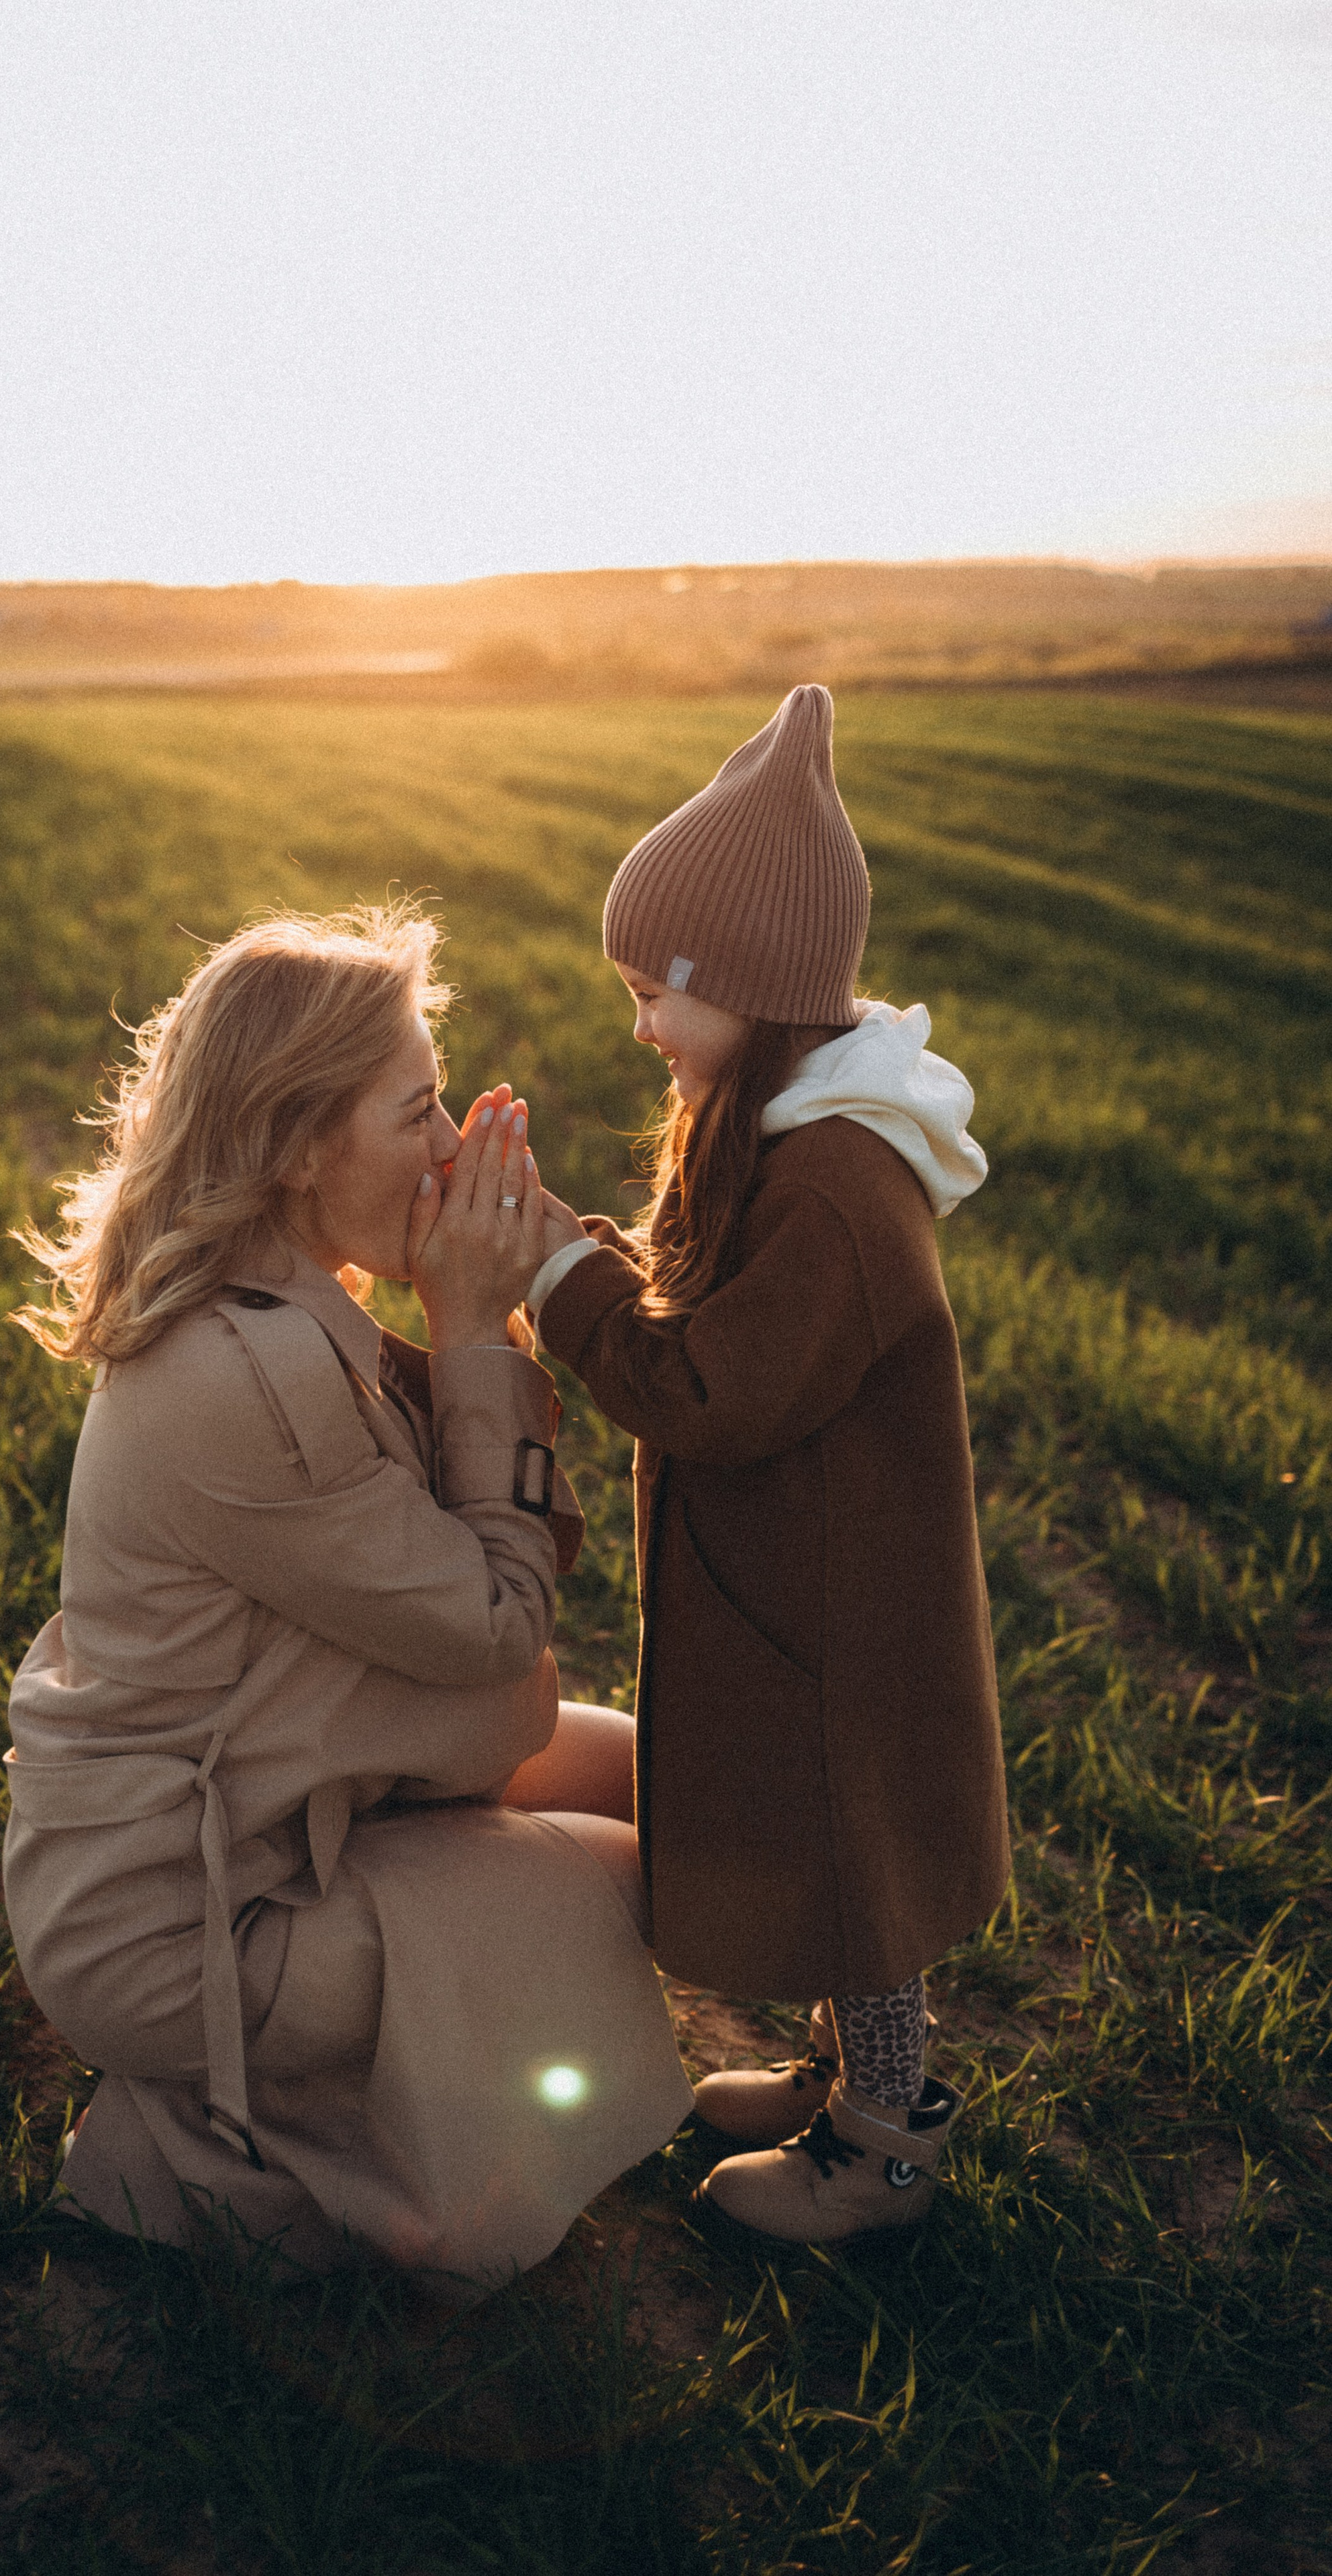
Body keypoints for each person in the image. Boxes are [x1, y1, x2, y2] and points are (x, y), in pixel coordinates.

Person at [1, 902, 690, 2290]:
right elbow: (494, 1631)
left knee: (688, 1785)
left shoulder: (273, 1302)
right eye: (417, 1112)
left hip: (281, 1794)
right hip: (186, 1923)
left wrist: (474, 1313)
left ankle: (293, 2113)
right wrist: (465, 1323)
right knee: (656, 1886)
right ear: (299, 1144)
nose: (449, 1151)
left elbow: (457, 1569)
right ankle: (262, 2166)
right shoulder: (245, 1377)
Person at [525, 685, 1011, 2244]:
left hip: (844, 1620)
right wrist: (575, 1254)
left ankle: (883, 2137)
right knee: (823, 1856)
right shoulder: (781, 1133)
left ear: (737, 980)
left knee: (858, 1881)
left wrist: (556, 1282)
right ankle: (834, 2083)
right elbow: (690, 1318)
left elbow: (711, 1388)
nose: (640, 1024)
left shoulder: (841, 1190)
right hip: (797, 1589)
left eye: (651, 992)